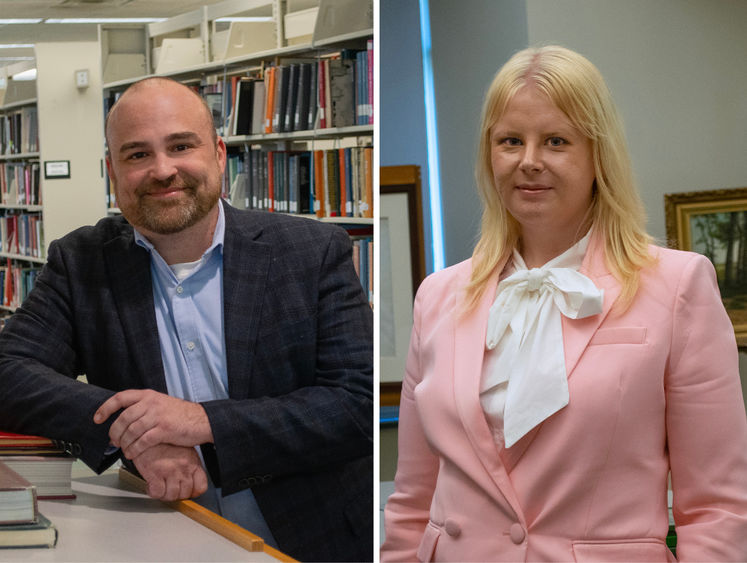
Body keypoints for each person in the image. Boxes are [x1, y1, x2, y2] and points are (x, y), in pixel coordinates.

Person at [381, 45, 747, 562]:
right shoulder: (438, 297)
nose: (529, 161)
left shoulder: (677, 285)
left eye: (556, 141)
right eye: (511, 141)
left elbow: (716, 509)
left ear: (598, 154)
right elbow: (413, 498)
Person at [0, 77, 373, 563]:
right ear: (113, 171)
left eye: (181, 145)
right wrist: (132, 431)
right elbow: (8, 371)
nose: (162, 170)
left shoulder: (310, 252)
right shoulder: (82, 262)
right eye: (136, 155)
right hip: (161, 533)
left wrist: (203, 422)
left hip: (310, 539)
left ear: (219, 153)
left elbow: (356, 404)